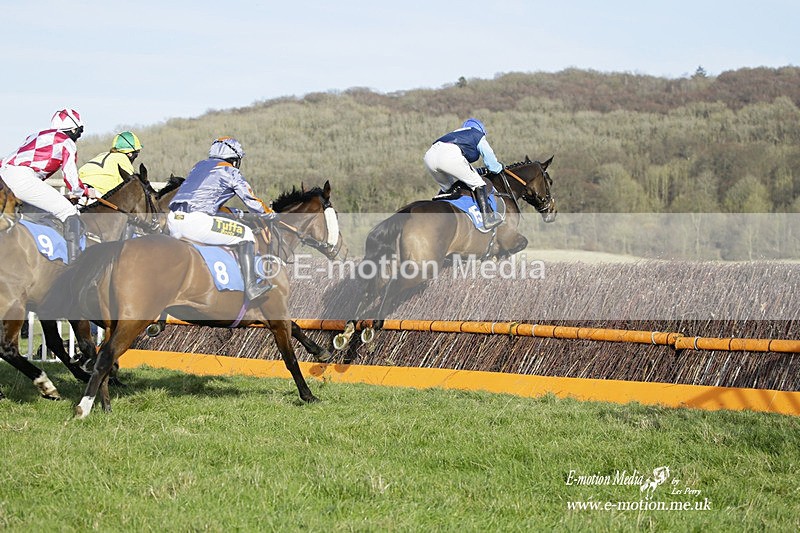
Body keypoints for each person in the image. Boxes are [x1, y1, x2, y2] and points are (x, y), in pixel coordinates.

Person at [167, 136, 272, 300]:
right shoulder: (231, 171)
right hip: (196, 222)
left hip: (173, 220)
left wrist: (238, 213)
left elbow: (209, 203)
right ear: (235, 160)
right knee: (246, 235)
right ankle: (251, 287)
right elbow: (252, 202)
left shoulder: (198, 167)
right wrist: (271, 214)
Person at [0, 109, 94, 261]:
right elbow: (71, 180)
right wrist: (85, 192)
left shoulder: (35, 135)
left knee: (37, 214)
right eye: (80, 132)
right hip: (22, 178)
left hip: (4, 176)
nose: (79, 136)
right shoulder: (67, 142)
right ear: (74, 129)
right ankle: (75, 266)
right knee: (68, 211)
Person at [424, 118, 504, 230]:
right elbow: (492, 164)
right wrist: (499, 168)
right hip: (448, 155)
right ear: (481, 130)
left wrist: (479, 171)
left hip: (429, 156)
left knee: (448, 189)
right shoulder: (477, 134)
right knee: (478, 184)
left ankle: (437, 210)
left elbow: (463, 168)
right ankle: (487, 219)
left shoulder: (457, 134)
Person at [78, 131, 142, 198]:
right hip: (95, 193)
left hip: (78, 190)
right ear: (130, 153)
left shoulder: (102, 155)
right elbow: (132, 184)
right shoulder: (123, 158)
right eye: (137, 152)